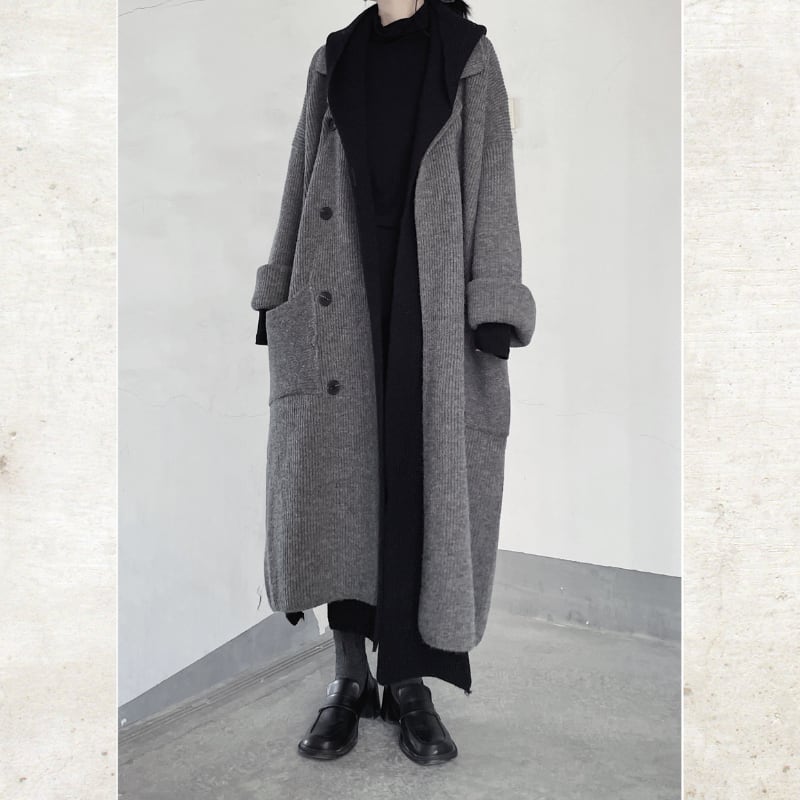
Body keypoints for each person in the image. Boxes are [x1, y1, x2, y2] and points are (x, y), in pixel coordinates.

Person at [251, 0, 536, 766]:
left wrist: (494, 299)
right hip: (335, 297)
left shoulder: (466, 56)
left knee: (414, 486)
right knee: (337, 492)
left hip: (427, 304)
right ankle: (349, 677)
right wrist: (277, 289)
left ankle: (407, 683)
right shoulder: (335, 56)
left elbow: (493, 179)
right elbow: (300, 171)